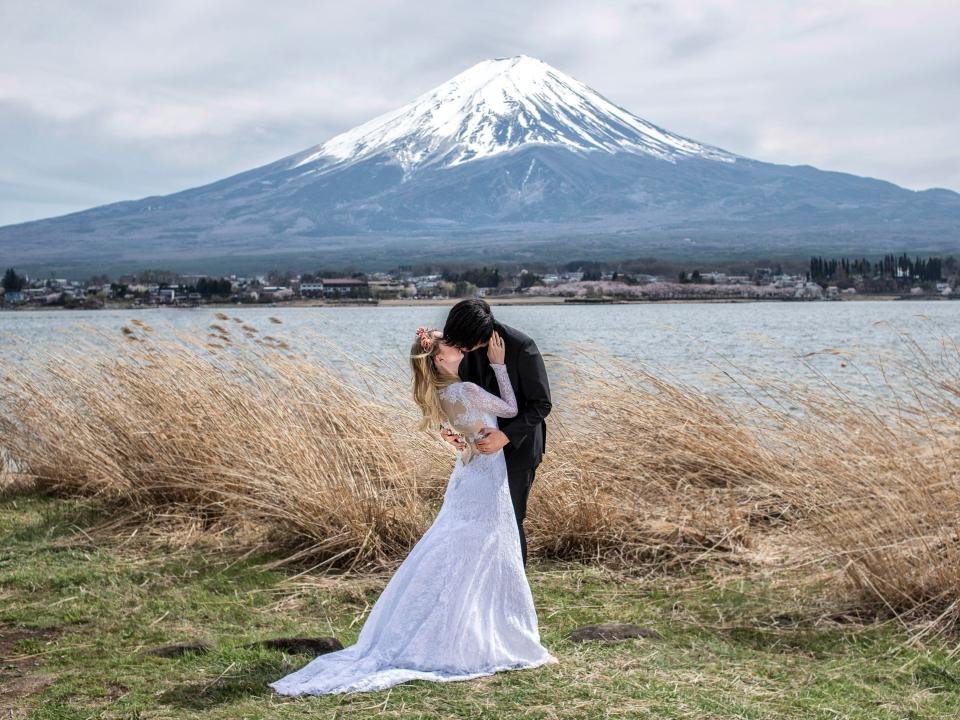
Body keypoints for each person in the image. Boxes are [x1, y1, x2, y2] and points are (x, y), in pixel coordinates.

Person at [267, 327, 557, 697]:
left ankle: (474, 624)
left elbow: (461, 431)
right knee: (490, 545)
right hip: (485, 475)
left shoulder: (440, 393)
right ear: (439, 358)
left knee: (461, 545)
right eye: (453, 346)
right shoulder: (465, 388)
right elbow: (511, 410)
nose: (461, 348)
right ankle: (489, 631)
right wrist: (499, 365)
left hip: (468, 472)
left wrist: (462, 438)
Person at [440, 299, 551, 566]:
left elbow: (542, 404)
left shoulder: (522, 347)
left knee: (511, 518)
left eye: (465, 345)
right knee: (478, 518)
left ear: (479, 335)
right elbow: (457, 398)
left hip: (518, 450)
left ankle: (515, 588)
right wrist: (448, 430)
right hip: (479, 453)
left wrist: (505, 435)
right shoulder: (461, 346)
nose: (461, 350)